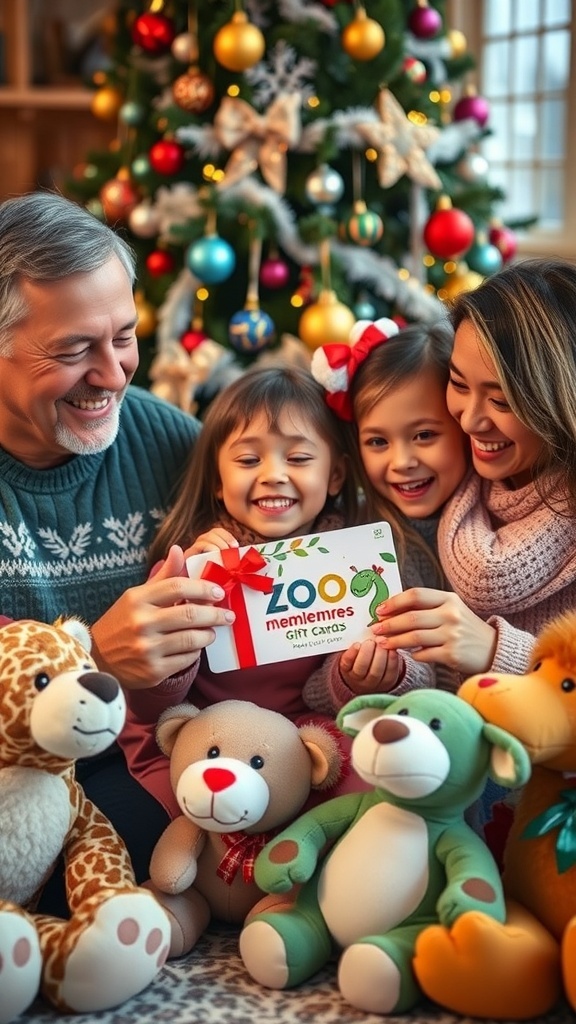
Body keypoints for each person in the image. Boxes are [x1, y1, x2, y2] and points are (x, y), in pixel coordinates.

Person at [0, 190, 234, 907]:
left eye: (124, 336)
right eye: (74, 351)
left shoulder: (173, 445)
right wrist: (91, 660)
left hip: (145, 770)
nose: (112, 374)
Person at [369, 259, 576, 840]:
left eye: (503, 399)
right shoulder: (446, 479)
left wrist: (494, 651)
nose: (471, 418)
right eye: (459, 385)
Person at [120, 364, 370, 818]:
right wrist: (187, 599)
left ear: (336, 476)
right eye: (249, 460)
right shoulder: (187, 571)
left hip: (309, 746)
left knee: (369, 780)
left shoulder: (357, 570)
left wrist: (364, 675)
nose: (274, 474)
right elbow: (147, 701)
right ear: (218, 480)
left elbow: (358, 697)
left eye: (298, 459)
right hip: (208, 746)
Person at [304, 317, 469, 710]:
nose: (402, 462)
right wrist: (352, 678)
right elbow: (312, 689)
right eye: (378, 441)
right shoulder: (352, 541)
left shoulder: (494, 516)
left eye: (424, 435)